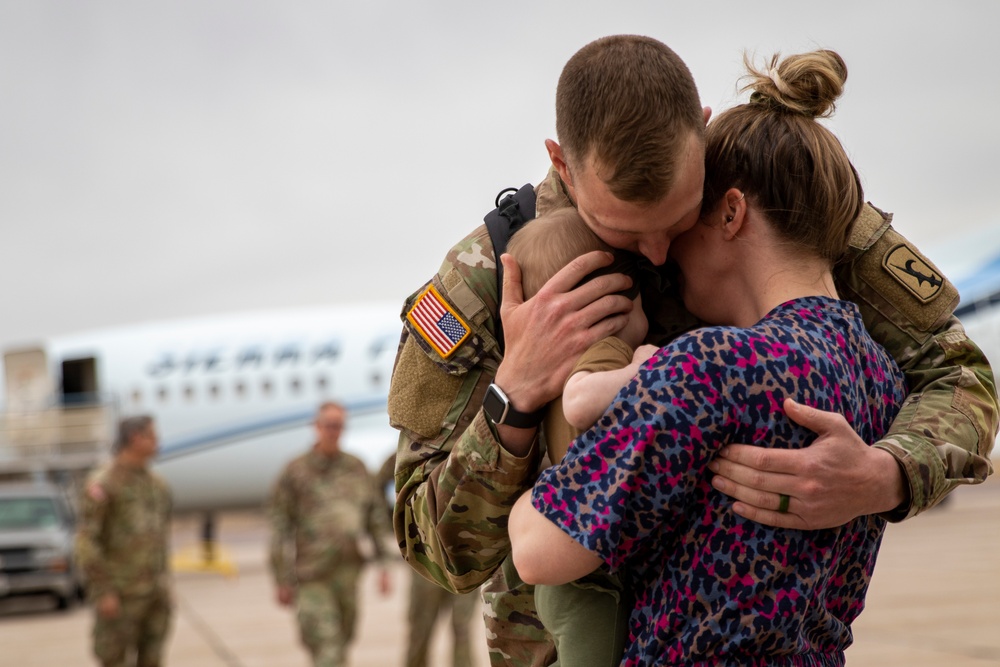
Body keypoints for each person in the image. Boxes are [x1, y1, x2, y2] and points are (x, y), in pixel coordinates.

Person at [388, 34, 997, 666]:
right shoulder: (491, 274)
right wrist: (512, 400)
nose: (657, 254)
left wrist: (887, 475)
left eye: (679, 223)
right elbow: (432, 548)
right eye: (624, 230)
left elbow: (959, 375)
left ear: (703, 136)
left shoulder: (765, 186)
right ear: (563, 165)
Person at [511, 49, 909, 665]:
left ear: (731, 212)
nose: (660, 254)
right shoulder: (881, 373)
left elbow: (540, 550)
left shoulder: (711, 366)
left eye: (686, 218)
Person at [507, 206, 657, 666]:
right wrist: (643, 368)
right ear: (616, 303)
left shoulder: (550, 366)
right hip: (589, 581)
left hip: (568, 568)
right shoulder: (609, 348)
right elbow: (581, 399)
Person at [268, 401, 393, 667]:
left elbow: (375, 520)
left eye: (338, 426)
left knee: (343, 641)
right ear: (316, 427)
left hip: (348, 573)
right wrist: (280, 578)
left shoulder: (356, 468)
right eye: (328, 425)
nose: (333, 431)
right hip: (313, 576)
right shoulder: (295, 472)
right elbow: (279, 527)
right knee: (327, 647)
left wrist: (384, 566)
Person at [75, 415, 173, 667]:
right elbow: (87, 541)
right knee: (114, 660)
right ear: (136, 439)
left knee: (153, 660)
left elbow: (159, 539)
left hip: (154, 595)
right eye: (152, 436)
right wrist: (102, 591)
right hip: (120, 595)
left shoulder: (156, 485)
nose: (157, 442)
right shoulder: (103, 484)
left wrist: (164, 585)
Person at [377, 453, 479, 667]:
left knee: (462, 629)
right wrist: (397, 521)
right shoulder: (412, 450)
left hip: (465, 556)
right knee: (421, 629)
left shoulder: (468, 445)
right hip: (426, 557)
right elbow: (376, 489)